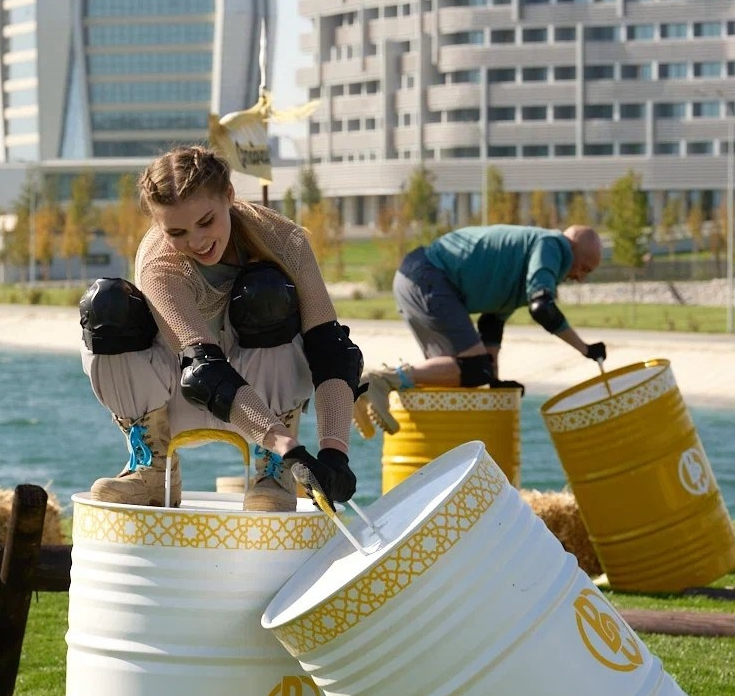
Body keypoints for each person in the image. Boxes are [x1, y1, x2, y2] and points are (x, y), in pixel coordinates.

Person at [79, 146, 362, 512]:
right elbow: (205, 373)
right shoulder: (159, 263)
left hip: (265, 403)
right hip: (178, 395)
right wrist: (292, 452)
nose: (196, 241)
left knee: (267, 291)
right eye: (177, 231)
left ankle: (272, 473)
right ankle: (152, 466)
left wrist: (334, 455)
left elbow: (332, 351)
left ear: (229, 196)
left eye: (206, 221)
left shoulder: (284, 239)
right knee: (105, 303)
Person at [353, 222, 606, 438]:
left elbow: (491, 324)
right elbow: (542, 307)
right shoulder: (553, 245)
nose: (579, 277)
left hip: (415, 277)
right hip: (429, 277)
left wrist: (494, 379)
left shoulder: (521, 266)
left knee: (460, 373)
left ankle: (365, 394)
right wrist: (585, 349)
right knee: (475, 369)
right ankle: (383, 380)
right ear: (571, 246)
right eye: (583, 268)